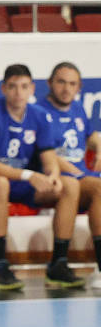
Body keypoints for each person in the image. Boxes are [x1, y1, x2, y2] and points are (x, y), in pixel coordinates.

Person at [0, 63, 84, 291]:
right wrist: (29, 175)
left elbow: (49, 157)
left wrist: (53, 176)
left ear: (32, 88)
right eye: (13, 87)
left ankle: (58, 264)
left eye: (24, 87)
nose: (19, 93)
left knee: (70, 185)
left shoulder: (40, 116)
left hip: (21, 181)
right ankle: (0, 266)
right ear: (3, 89)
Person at [36, 61, 101, 289]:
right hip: (52, 178)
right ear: (50, 83)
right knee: (79, 184)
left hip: (80, 178)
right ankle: (59, 263)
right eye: (61, 82)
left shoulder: (78, 109)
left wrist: (99, 144)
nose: (66, 89)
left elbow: (91, 135)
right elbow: (47, 153)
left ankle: (100, 268)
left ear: (79, 87)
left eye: (72, 84)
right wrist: (80, 173)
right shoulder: (38, 112)